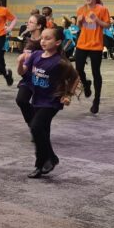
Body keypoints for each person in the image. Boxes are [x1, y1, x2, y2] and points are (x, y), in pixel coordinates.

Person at [17, 26, 80, 178]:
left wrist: (68, 95)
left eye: (48, 38)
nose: (43, 41)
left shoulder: (60, 62)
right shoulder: (36, 55)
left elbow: (75, 78)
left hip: (52, 101)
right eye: (42, 38)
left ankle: (40, 164)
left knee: (36, 127)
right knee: (41, 131)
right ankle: (51, 158)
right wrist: (20, 63)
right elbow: (23, 72)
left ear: (57, 42)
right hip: (37, 99)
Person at [74, 0, 110, 115]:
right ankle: (86, 84)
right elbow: (81, 27)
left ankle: (96, 100)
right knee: (78, 69)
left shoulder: (102, 9)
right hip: (82, 43)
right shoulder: (81, 9)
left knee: (96, 72)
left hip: (96, 45)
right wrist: (79, 22)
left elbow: (107, 25)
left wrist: (97, 20)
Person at [14, 13, 48, 125]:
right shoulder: (27, 40)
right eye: (28, 21)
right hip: (28, 77)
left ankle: (37, 127)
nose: (27, 24)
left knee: (39, 106)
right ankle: (33, 124)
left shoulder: (45, 41)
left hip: (42, 77)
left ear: (39, 26)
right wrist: (21, 62)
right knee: (21, 100)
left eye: (31, 22)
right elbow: (24, 63)